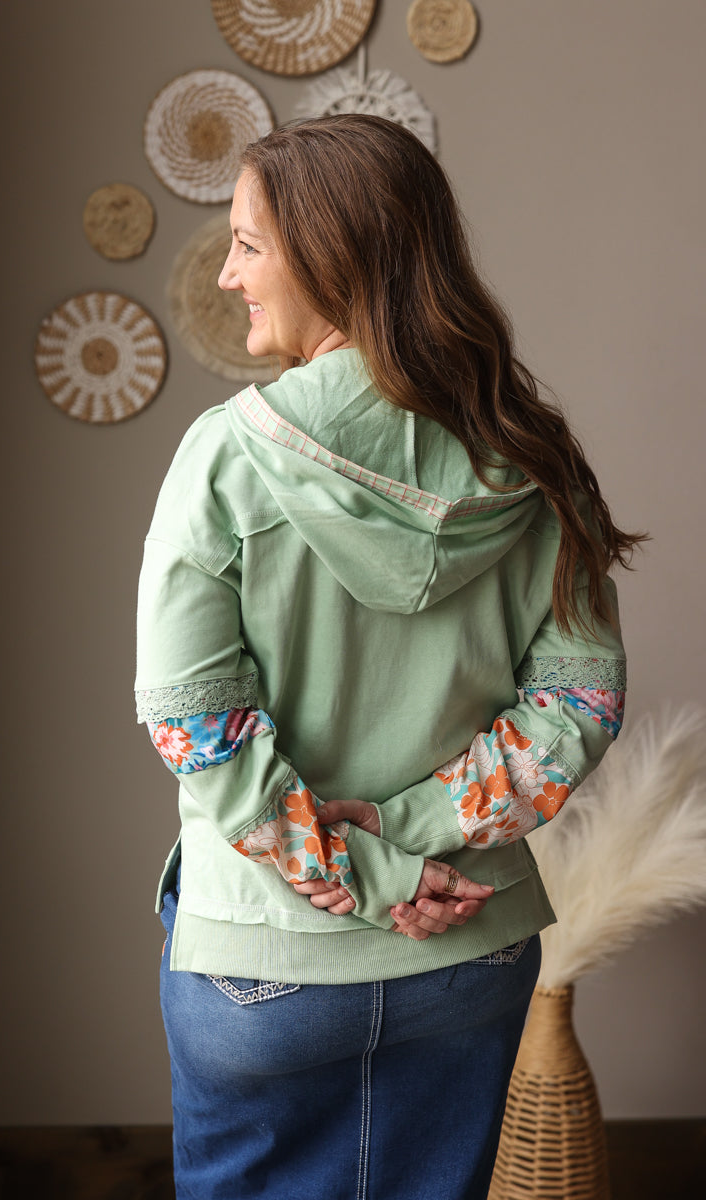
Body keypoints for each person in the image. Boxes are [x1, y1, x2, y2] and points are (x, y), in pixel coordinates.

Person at [135, 115, 640, 1200]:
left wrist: (367, 869)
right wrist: (417, 848)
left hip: (265, 959)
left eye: (246, 243)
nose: (226, 274)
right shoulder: (527, 452)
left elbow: (199, 729)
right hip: (470, 942)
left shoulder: (223, 455)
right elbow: (578, 701)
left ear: (332, 255)